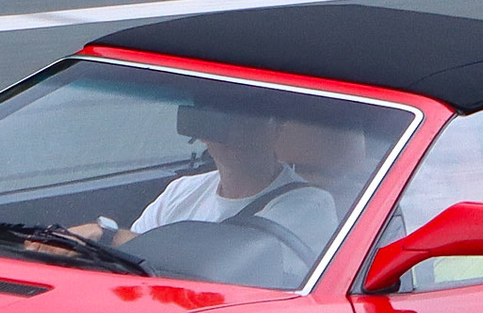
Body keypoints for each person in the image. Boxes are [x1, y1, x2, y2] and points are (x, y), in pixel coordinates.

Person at [76, 100, 340, 256]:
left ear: (278, 126)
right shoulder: (181, 191)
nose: (237, 132)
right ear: (201, 132)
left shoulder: (312, 204)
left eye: (251, 119)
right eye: (223, 121)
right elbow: (133, 259)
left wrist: (107, 235)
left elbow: (228, 263)